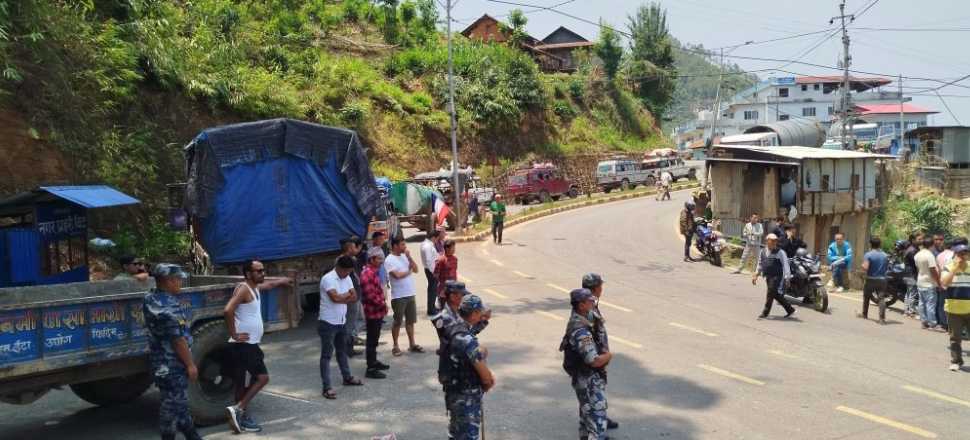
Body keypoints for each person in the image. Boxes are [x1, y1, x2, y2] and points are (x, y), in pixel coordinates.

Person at [224, 260, 291, 433]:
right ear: (248, 274)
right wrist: (234, 334)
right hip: (245, 345)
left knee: (244, 382)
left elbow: (268, 285)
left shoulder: (254, 288)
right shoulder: (244, 288)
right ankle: (238, 409)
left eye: (263, 270)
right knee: (263, 378)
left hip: (248, 344)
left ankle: (241, 417)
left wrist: (281, 281)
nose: (263, 273)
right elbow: (228, 310)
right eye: (258, 271)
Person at [143, 263, 203, 440]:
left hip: (160, 361)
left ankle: (193, 436)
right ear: (168, 281)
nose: (180, 283)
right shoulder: (169, 307)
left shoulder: (150, 298)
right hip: (173, 363)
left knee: (178, 402)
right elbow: (178, 340)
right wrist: (191, 364)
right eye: (178, 279)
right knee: (171, 405)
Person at [561, 288, 612, 440]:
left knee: (586, 415)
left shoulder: (583, 317)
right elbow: (594, 361)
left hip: (584, 378)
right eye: (590, 301)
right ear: (581, 305)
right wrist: (608, 356)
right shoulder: (581, 331)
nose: (593, 303)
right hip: (588, 379)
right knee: (597, 418)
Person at [442, 294, 495, 440]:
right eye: (479, 312)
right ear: (474, 313)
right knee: (467, 436)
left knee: (455, 434)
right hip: (467, 398)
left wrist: (482, 323)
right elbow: (486, 377)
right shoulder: (467, 340)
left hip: (454, 393)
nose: (481, 315)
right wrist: (487, 383)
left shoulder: (453, 327)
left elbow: (470, 333)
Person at [318, 256, 364, 399]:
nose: (347, 274)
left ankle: (347, 377)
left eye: (350, 271)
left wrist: (342, 296)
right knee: (326, 355)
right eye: (346, 271)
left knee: (342, 351)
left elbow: (354, 296)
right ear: (339, 268)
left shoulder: (348, 277)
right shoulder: (328, 279)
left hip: (341, 321)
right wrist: (345, 296)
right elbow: (335, 299)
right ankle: (327, 387)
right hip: (327, 322)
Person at [581, 273, 619, 432]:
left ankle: (599, 419)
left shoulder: (590, 304)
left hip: (597, 358)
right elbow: (584, 335)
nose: (601, 289)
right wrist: (594, 358)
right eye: (600, 286)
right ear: (594, 288)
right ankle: (594, 429)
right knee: (593, 394)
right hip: (593, 359)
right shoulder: (588, 309)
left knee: (596, 393)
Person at [385, 236, 424, 356]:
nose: (405, 247)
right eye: (402, 245)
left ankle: (412, 344)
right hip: (399, 296)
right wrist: (409, 271)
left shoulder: (404, 257)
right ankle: (395, 346)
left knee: (410, 321)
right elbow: (397, 275)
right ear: (395, 246)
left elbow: (416, 269)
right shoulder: (389, 260)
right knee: (397, 321)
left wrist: (409, 257)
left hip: (410, 293)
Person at [360, 247, 390, 379]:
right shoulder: (367, 274)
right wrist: (382, 304)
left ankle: (374, 361)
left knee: (374, 339)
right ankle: (370, 368)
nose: (381, 261)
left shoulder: (373, 272)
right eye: (378, 259)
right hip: (372, 312)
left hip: (377, 312)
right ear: (371, 259)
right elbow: (370, 295)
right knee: (371, 341)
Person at [940, 243, 970, 372]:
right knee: (955, 338)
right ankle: (956, 361)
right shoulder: (948, 267)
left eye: (965, 253)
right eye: (960, 254)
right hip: (954, 310)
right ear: (955, 255)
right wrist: (955, 269)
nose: (963, 256)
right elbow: (944, 283)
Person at [753, 234, 796, 319]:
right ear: (767, 241)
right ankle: (790, 309)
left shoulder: (780, 252)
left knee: (770, 292)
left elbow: (786, 265)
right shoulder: (763, 251)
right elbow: (760, 264)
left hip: (777, 276)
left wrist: (787, 278)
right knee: (774, 293)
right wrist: (756, 275)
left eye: (775, 241)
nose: (774, 242)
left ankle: (765, 312)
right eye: (772, 240)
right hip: (768, 276)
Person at [336, 236, 365, 357]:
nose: (356, 248)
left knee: (356, 321)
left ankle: (349, 345)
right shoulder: (342, 260)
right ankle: (346, 348)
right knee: (350, 323)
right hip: (351, 297)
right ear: (349, 248)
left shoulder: (349, 258)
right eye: (353, 246)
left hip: (355, 295)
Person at [860, 237, 890, 324]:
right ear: (880, 244)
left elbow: (865, 267)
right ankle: (882, 319)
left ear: (870, 244)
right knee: (881, 299)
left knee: (866, 297)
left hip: (871, 279)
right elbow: (887, 267)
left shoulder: (868, 255)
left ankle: (864, 314)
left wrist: (862, 269)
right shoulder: (885, 255)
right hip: (882, 280)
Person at [915, 237, 943, 330]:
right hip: (929, 283)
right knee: (930, 304)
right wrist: (938, 282)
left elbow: (918, 268)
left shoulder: (918, 254)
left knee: (921, 303)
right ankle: (933, 324)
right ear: (932, 245)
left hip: (920, 281)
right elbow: (932, 270)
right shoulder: (929, 255)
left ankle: (924, 322)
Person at [421, 230, 442, 316]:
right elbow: (429, 261)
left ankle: (432, 307)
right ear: (433, 237)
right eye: (437, 239)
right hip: (431, 271)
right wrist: (435, 272)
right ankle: (431, 309)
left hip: (430, 270)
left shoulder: (426, 244)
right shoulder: (427, 246)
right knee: (432, 290)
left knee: (433, 290)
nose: (437, 241)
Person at [434, 240, 459, 308]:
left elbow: (454, 272)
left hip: (453, 288)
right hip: (443, 290)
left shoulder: (455, 259)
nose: (454, 250)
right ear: (447, 248)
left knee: (454, 309)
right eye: (453, 248)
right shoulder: (441, 260)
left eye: (454, 248)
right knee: (444, 310)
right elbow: (436, 274)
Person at [903, 234, 922, 317]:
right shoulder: (912, 250)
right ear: (913, 240)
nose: (921, 240)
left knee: (908, 293)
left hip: (907, 273)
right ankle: (911, 311)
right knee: (912, 293)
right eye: (919, 239)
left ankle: (906, 311)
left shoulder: (911, 249)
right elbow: (917, 263)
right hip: (911, 274)